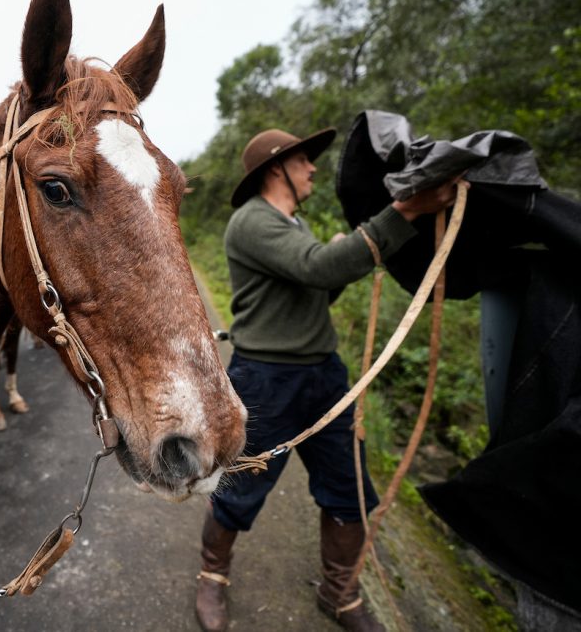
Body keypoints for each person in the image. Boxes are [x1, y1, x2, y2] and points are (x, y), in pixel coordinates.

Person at [194, 127, 462, 632]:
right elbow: (317, 270)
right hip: (266, 380)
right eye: (303, 160)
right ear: (277, 168)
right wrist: (402, 212)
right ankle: (213, 575)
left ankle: (339, 594)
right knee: (241, 486)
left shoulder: (293, 223)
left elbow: (314, 290)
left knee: (348, 488)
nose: (313, 168)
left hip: (323, 377)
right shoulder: (250, 222)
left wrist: (336, 263)